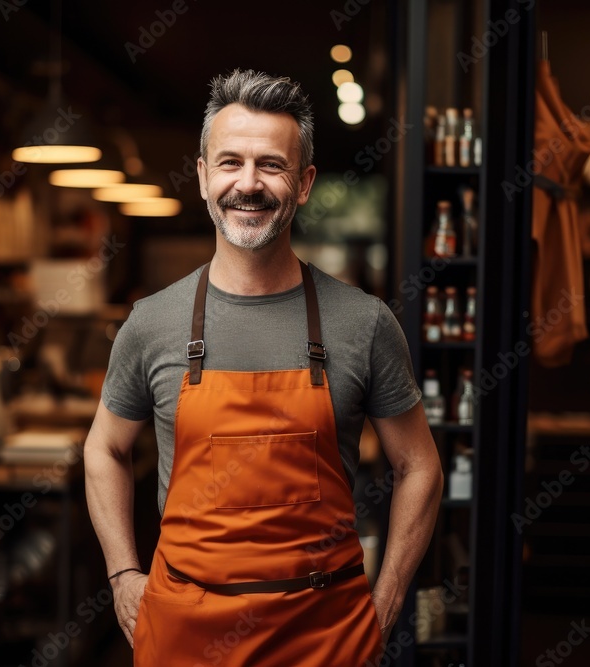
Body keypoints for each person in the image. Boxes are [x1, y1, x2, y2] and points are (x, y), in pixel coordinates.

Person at [84, 68, 442, 666]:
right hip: (184, 638)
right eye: (229, 162)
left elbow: (419, 465)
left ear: (303, 184)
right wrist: (123, 574)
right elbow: (103, 450)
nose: (247, 184)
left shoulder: (364, 323)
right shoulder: (151, 323)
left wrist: (387, 597)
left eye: (270, 165)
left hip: (324, 638)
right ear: (202, 177)